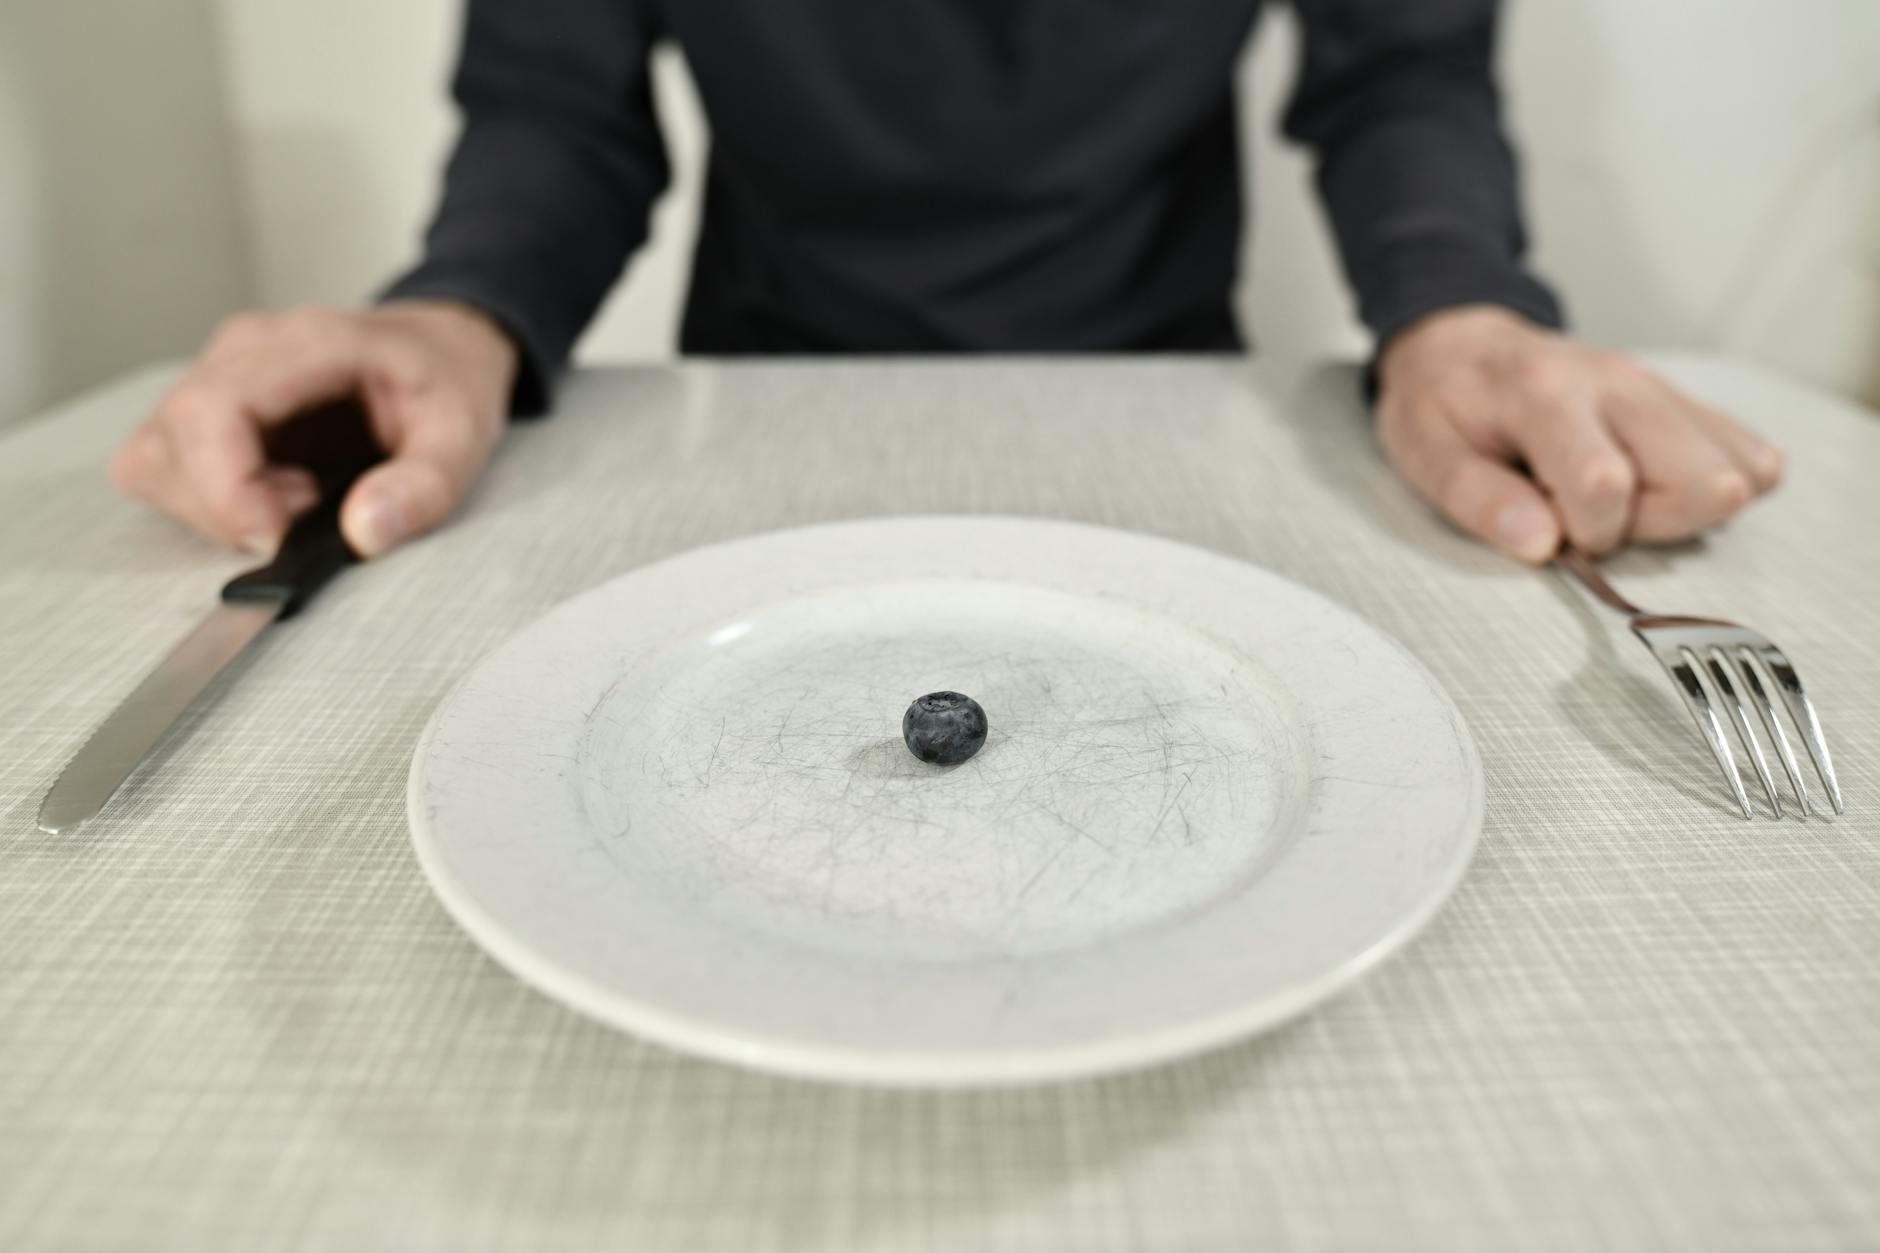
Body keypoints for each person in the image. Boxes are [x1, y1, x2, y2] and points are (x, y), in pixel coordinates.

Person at [111, 0, 1783, 565]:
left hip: (1167, 407)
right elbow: (560, 103)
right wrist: (449, 309)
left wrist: (1455, 308)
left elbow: (1398, 71)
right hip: (749, 419)